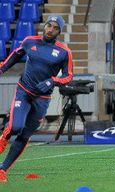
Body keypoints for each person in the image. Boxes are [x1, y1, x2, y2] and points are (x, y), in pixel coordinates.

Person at [0, 15, 73, 182]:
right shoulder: (29, 41)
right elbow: (15, 56)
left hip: (42, 98)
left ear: (59, 31)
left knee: (25, 134)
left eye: (55, 28)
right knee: (16, 127)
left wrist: (52, 80)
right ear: (44, 25)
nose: (51, 29)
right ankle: (4, 136)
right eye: (49, 25)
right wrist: (2, 69)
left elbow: (68, 76)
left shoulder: (64, 52)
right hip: (24, 92)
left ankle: (3, 169)